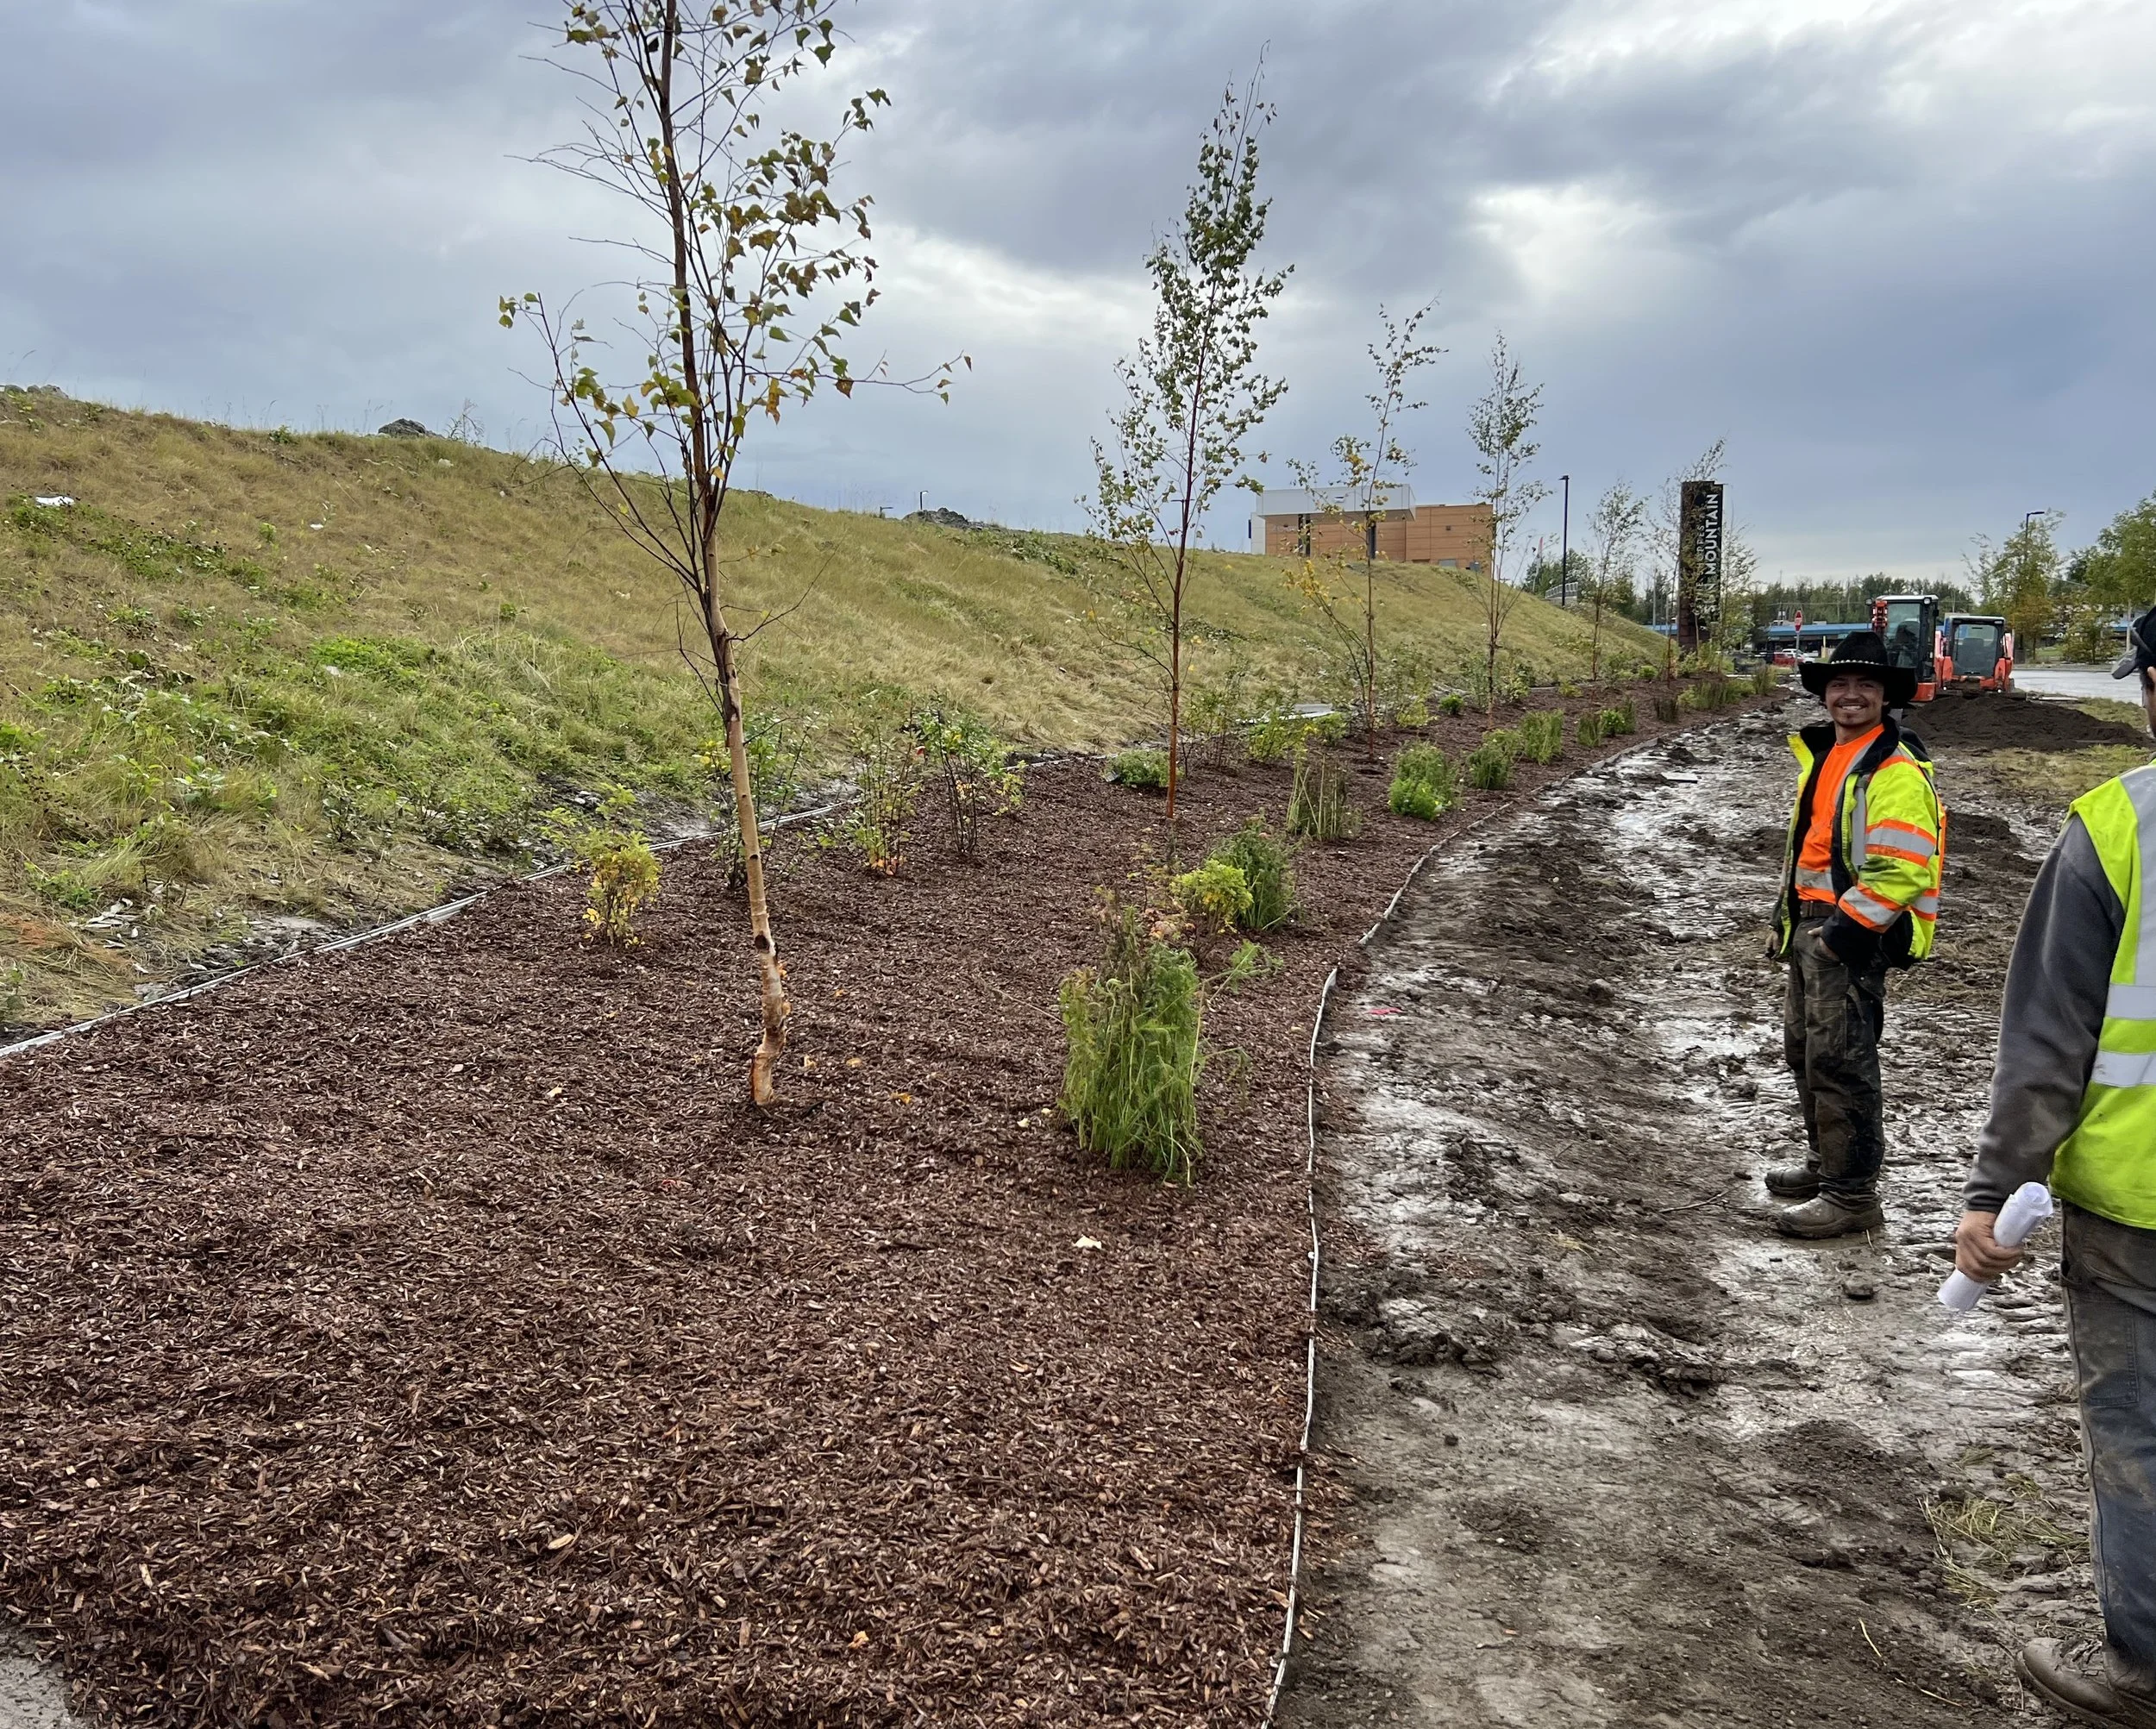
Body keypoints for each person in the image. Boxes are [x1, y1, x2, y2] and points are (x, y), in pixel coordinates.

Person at [1957, 606, 2156, 1726]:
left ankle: (2143, 1664)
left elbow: (2046, 1044)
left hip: (2139, 1211)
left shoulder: (2120, 827)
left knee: (2137, 1424)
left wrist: (1994, 1190)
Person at [1766, 631, 1945, 1238]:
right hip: (1814, 926)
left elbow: (1901, 867)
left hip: (1850, 933)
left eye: (1865, 685)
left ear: (1885, 697)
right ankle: (1825, 1165)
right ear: (1824, 696)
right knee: (1806, 1052)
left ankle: (1851, 1194)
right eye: (1840, 684)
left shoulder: (1892, 769)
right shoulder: (1827, 757)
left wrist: (1842, 936)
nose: (1850, 695)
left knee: (1842, 1061)